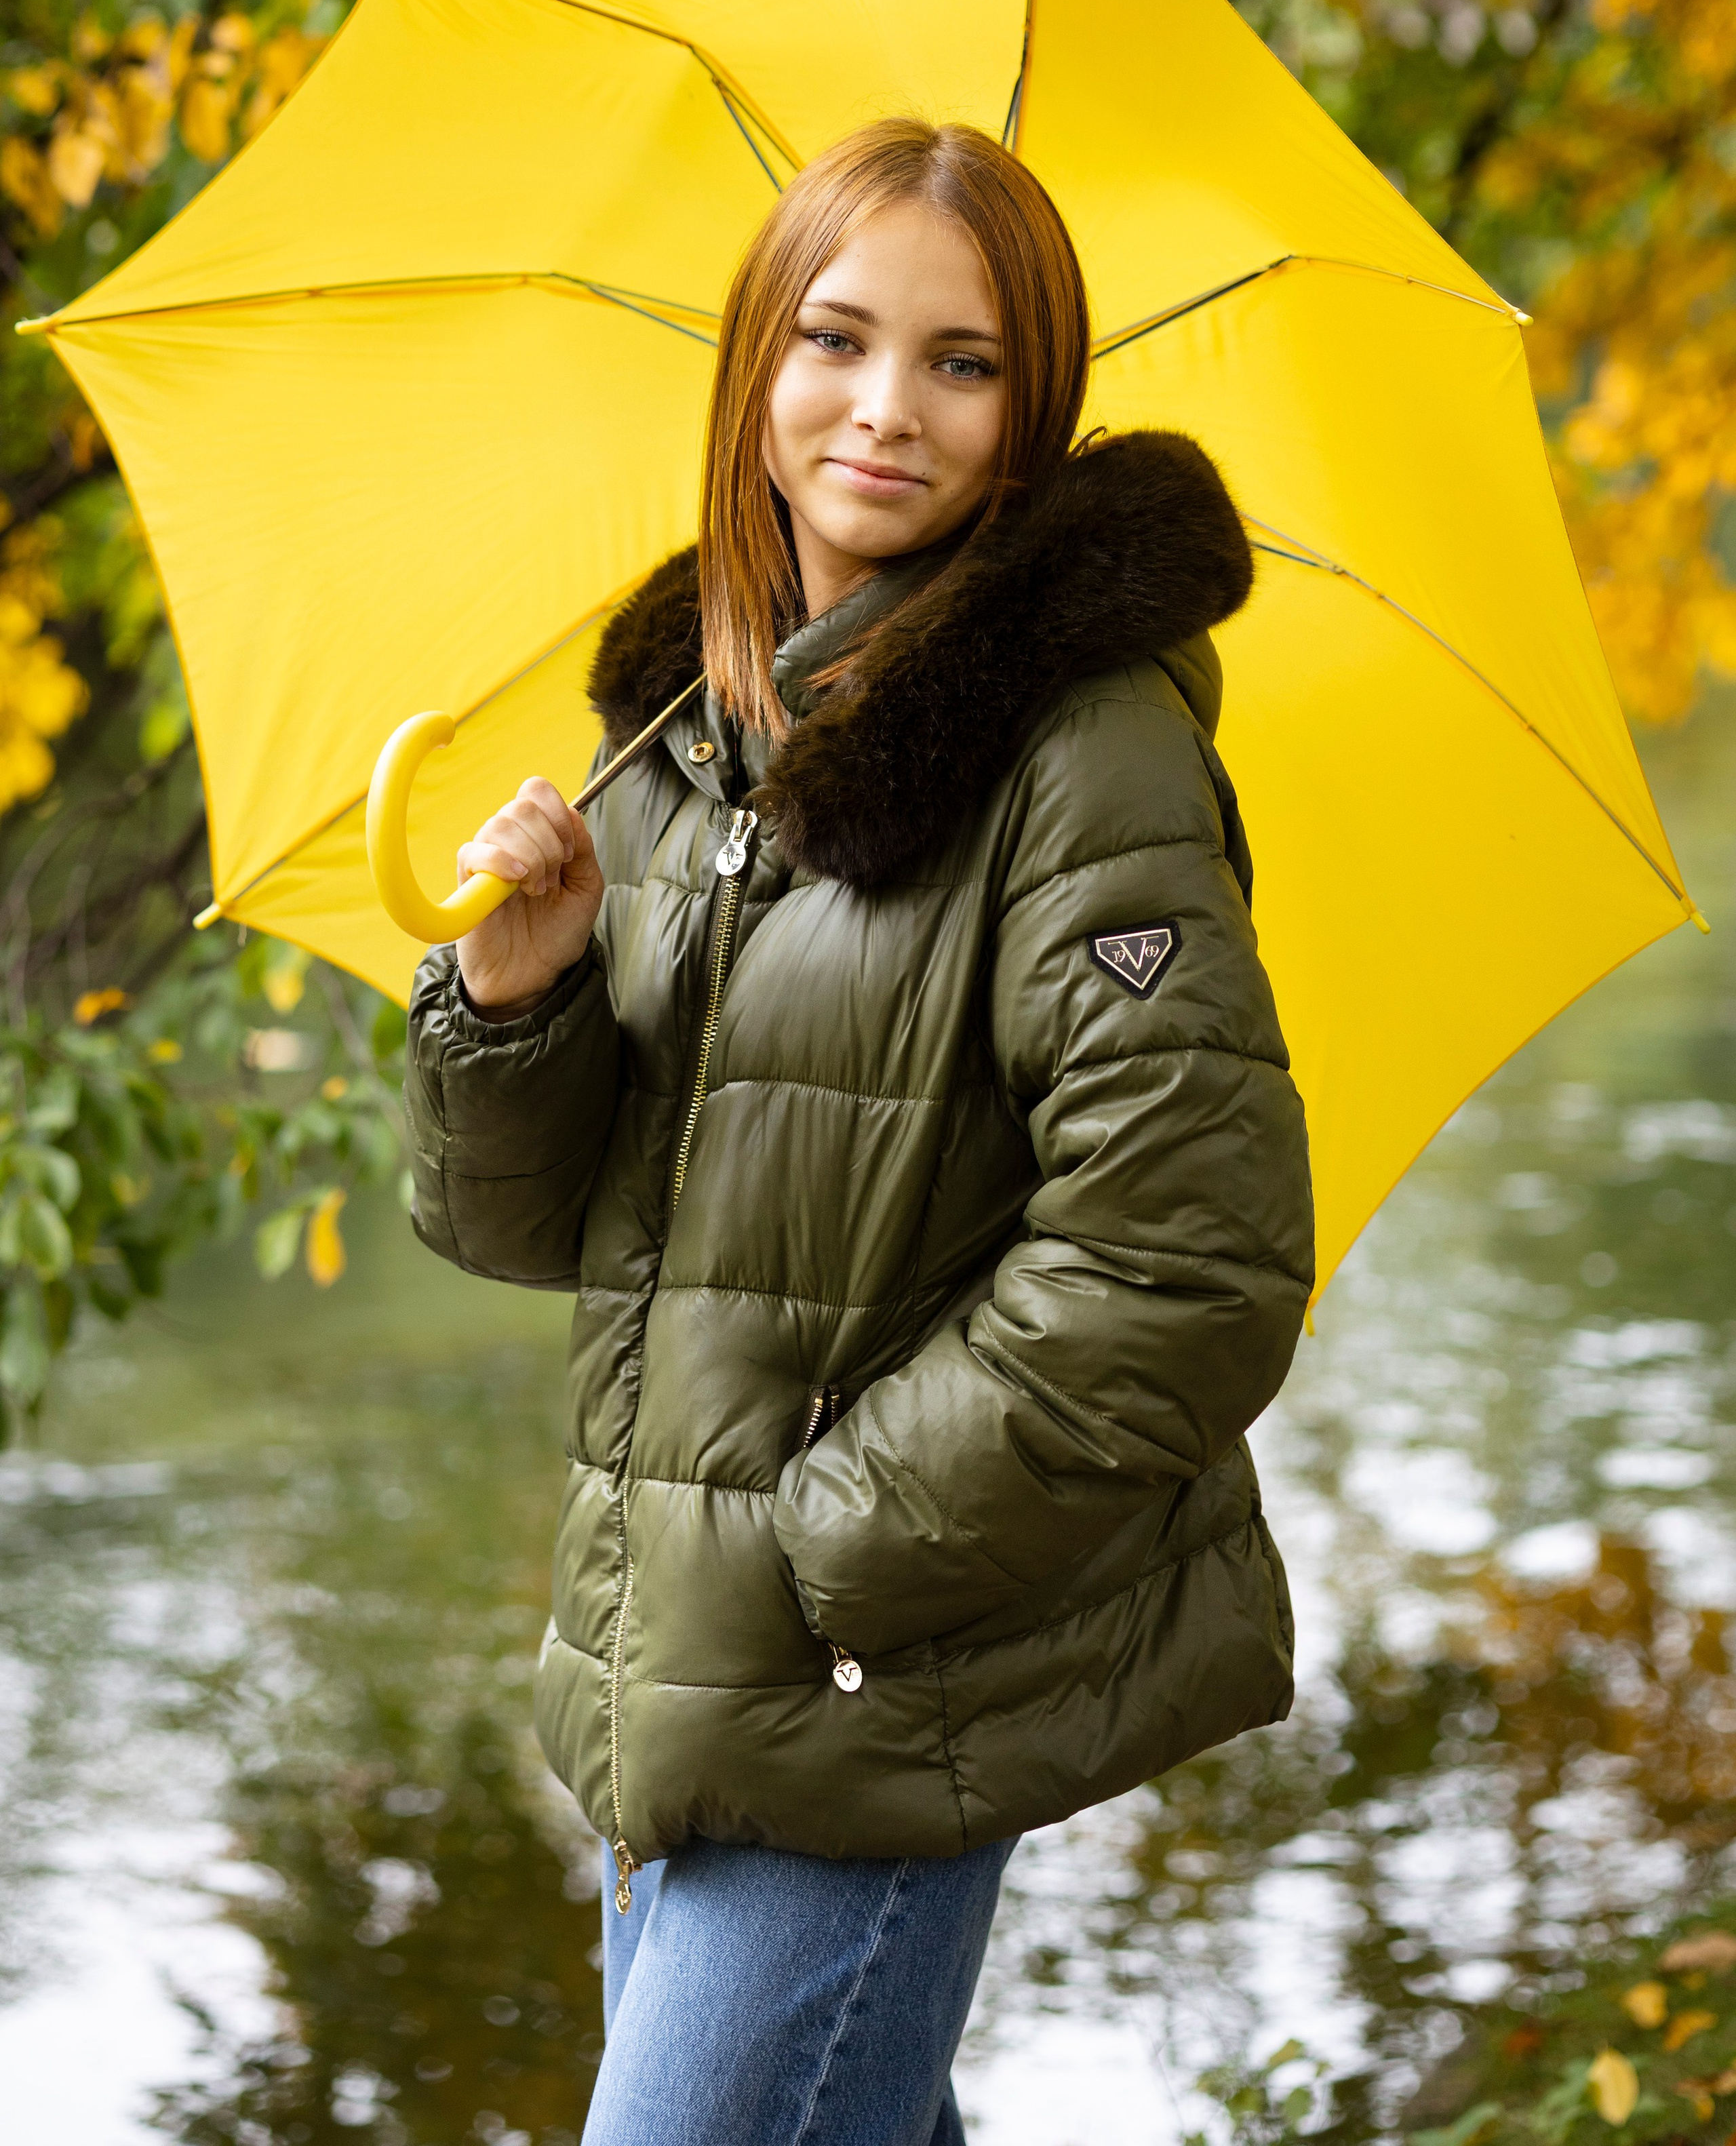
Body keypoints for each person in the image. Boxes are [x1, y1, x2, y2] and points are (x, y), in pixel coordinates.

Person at [404, 117, 1314, 2145]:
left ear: (1032, 404)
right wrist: (518, 996)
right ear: (756, 369)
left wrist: (827, 1560)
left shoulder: (1084, 754)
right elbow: (534, 1228)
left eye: (964, 362)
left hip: (861, 1681)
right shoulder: (675, 742)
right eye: (836, 338)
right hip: (673, 1670)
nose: (887, 409)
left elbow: (1190, 1271)